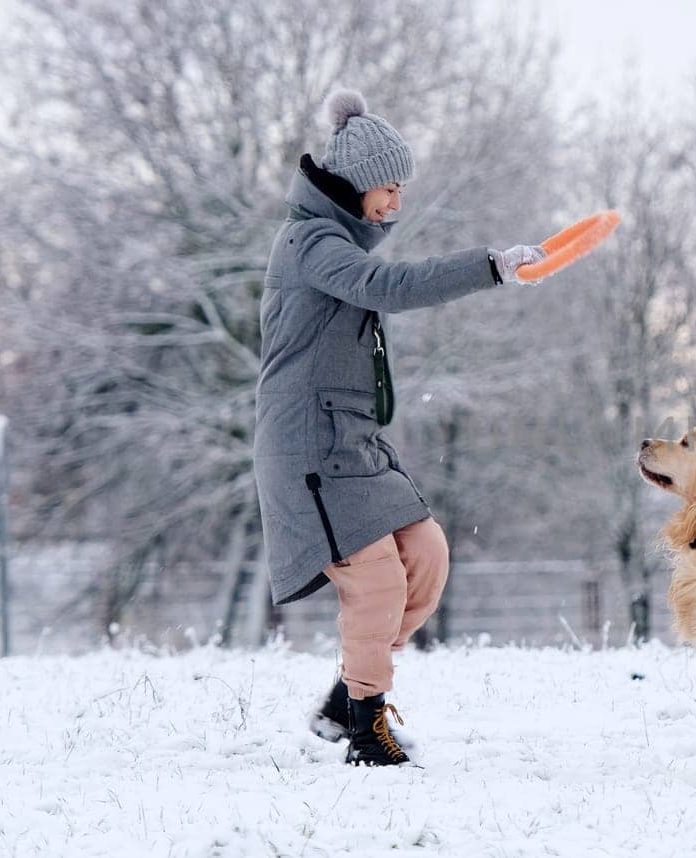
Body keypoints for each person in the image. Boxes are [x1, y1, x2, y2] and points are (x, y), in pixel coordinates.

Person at [253, 88, 545, 766]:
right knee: (377, 579)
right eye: (389, 187)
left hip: (351, 439)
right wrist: (491, 267)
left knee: (426, 554)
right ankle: (366, 726)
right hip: (308, 446)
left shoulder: (331, 241)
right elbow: (388, 288)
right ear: (356, 184)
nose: (397, 203)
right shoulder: (311, 243)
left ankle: (344, 701)